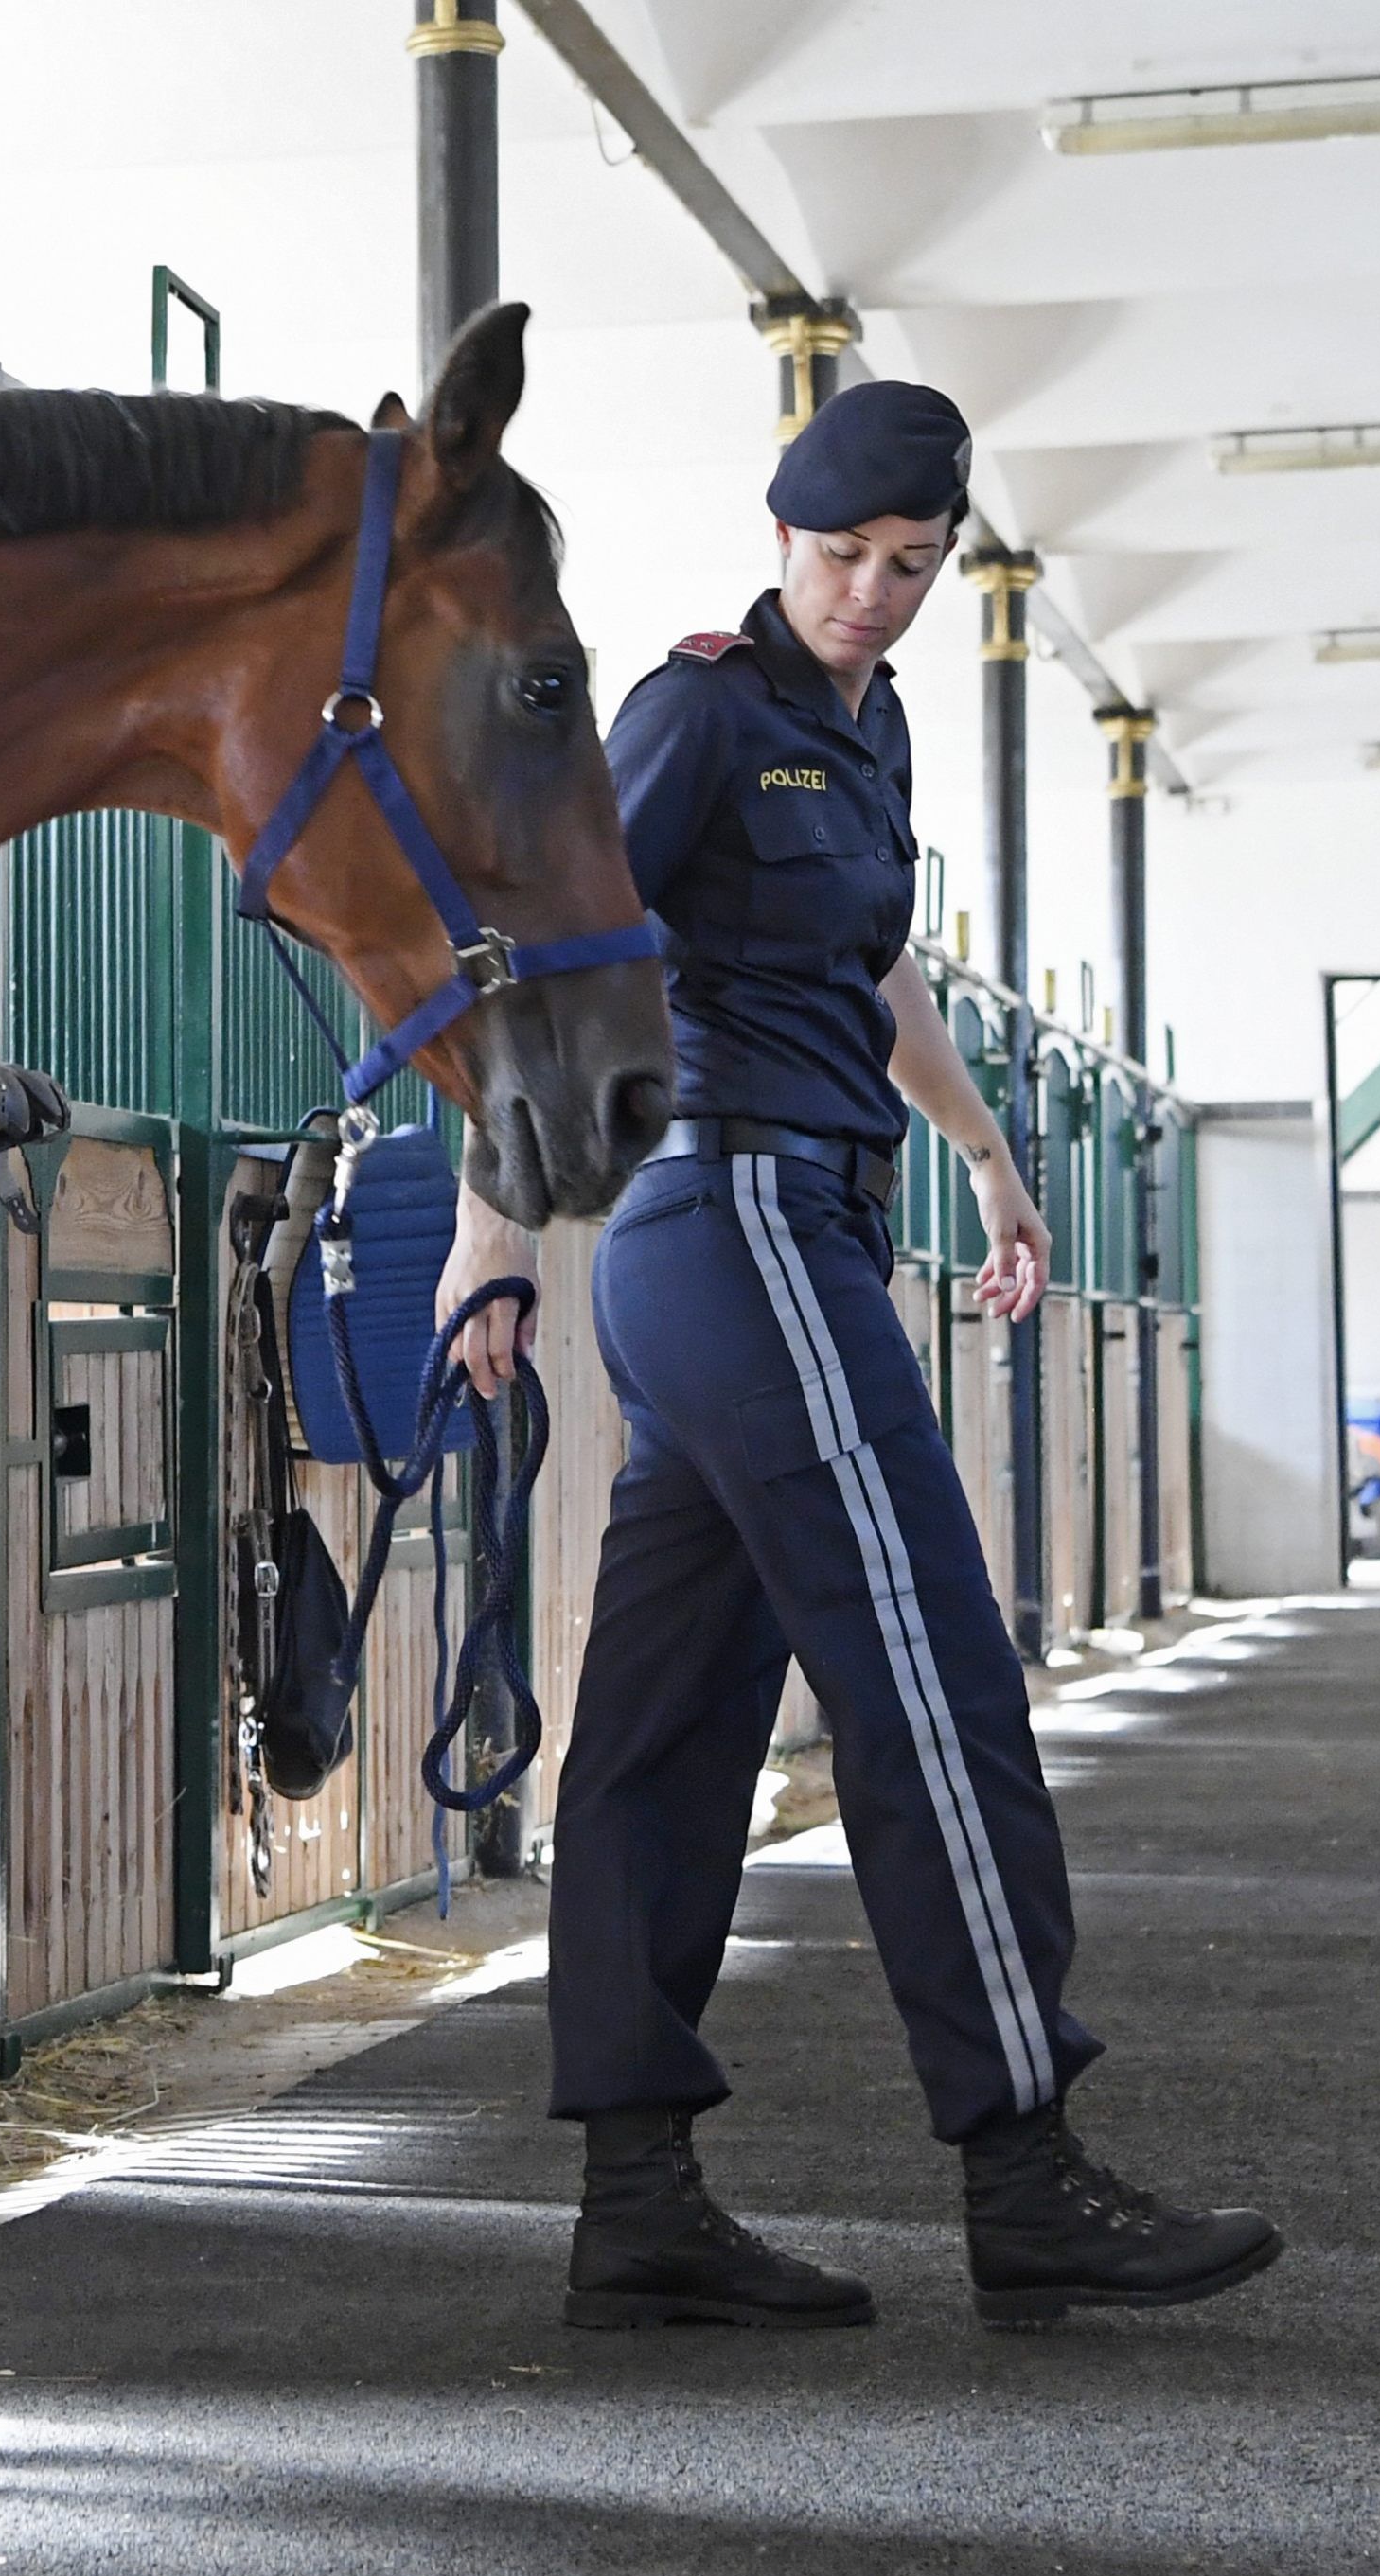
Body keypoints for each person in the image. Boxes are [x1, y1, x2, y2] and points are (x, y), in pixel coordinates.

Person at [439, 379, 1282, 2332]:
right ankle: (1020, 2162)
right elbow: (551, 950)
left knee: (662, 1726)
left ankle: (633, 2199)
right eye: (842, 558)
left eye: (909, 567)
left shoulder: (870, 722)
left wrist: (987, 1152)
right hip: (716, 1210)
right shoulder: (698, 710)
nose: (873, 596)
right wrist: (489, 1241)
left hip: (803, 1215)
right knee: (926, 1658)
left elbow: (874, 960)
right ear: (781, 534)